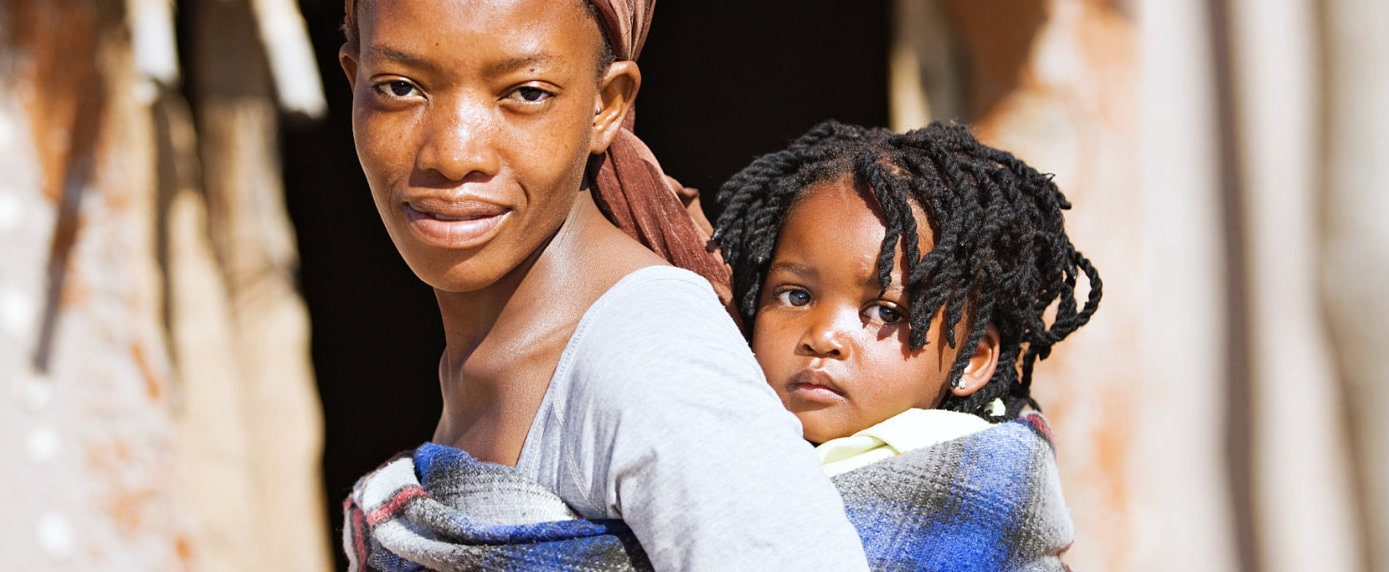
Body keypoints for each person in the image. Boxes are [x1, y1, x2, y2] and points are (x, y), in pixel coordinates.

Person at [334, 1, 868, 570]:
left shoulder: (647, 353)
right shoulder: (491, 353)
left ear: (606, 106)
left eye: (527, 93)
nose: (454, 153)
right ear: (353, 81)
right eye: (399, 87)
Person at [711, 120, 1102, 570]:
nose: (823, 337)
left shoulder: (976, 490)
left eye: (885, 311)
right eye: (796, 295)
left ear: (970, 359)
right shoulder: (722, 437)